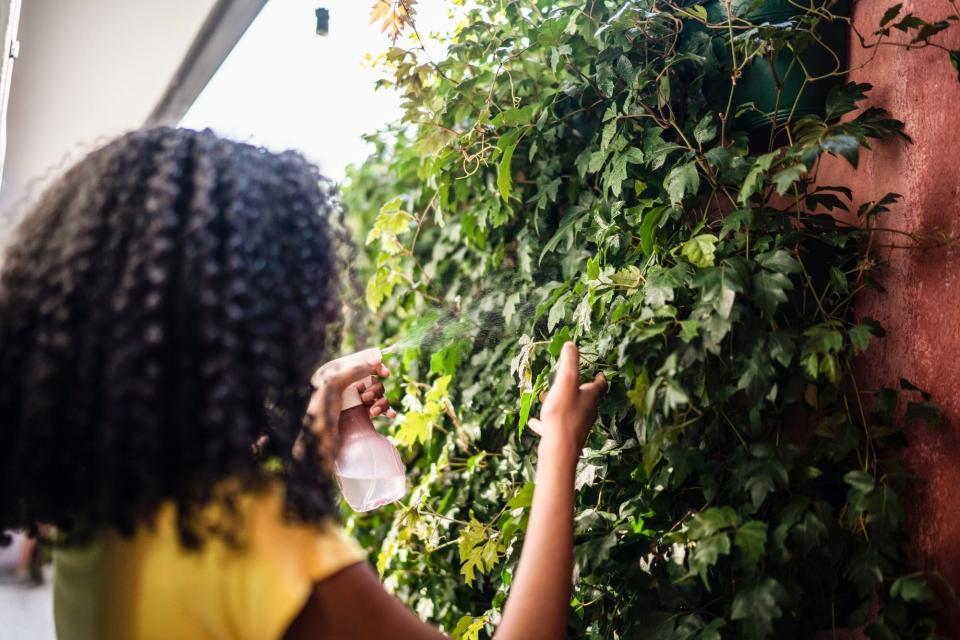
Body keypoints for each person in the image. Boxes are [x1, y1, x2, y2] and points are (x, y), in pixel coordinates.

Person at [0, 127, 606, 639]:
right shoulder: (253, 540)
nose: (329, 312)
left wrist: (318, 428)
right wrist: (558, 444)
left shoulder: (92, 524)